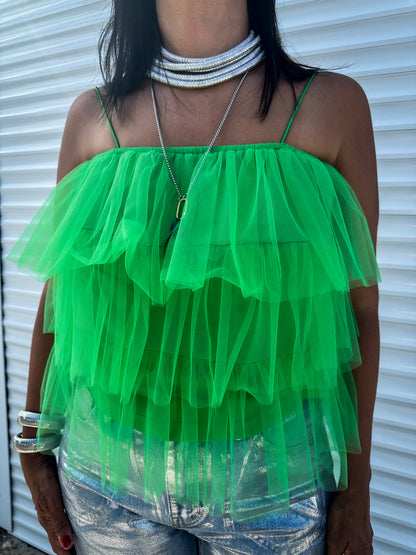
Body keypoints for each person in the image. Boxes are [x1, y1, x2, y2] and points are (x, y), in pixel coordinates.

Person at [8, 0, 381, 553]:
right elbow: (62, 294)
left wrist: (357, 491)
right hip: (104, 477)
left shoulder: (331, 106)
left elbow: (361, 313)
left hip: (271, 483)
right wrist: (33, 443)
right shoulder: (92, 116)